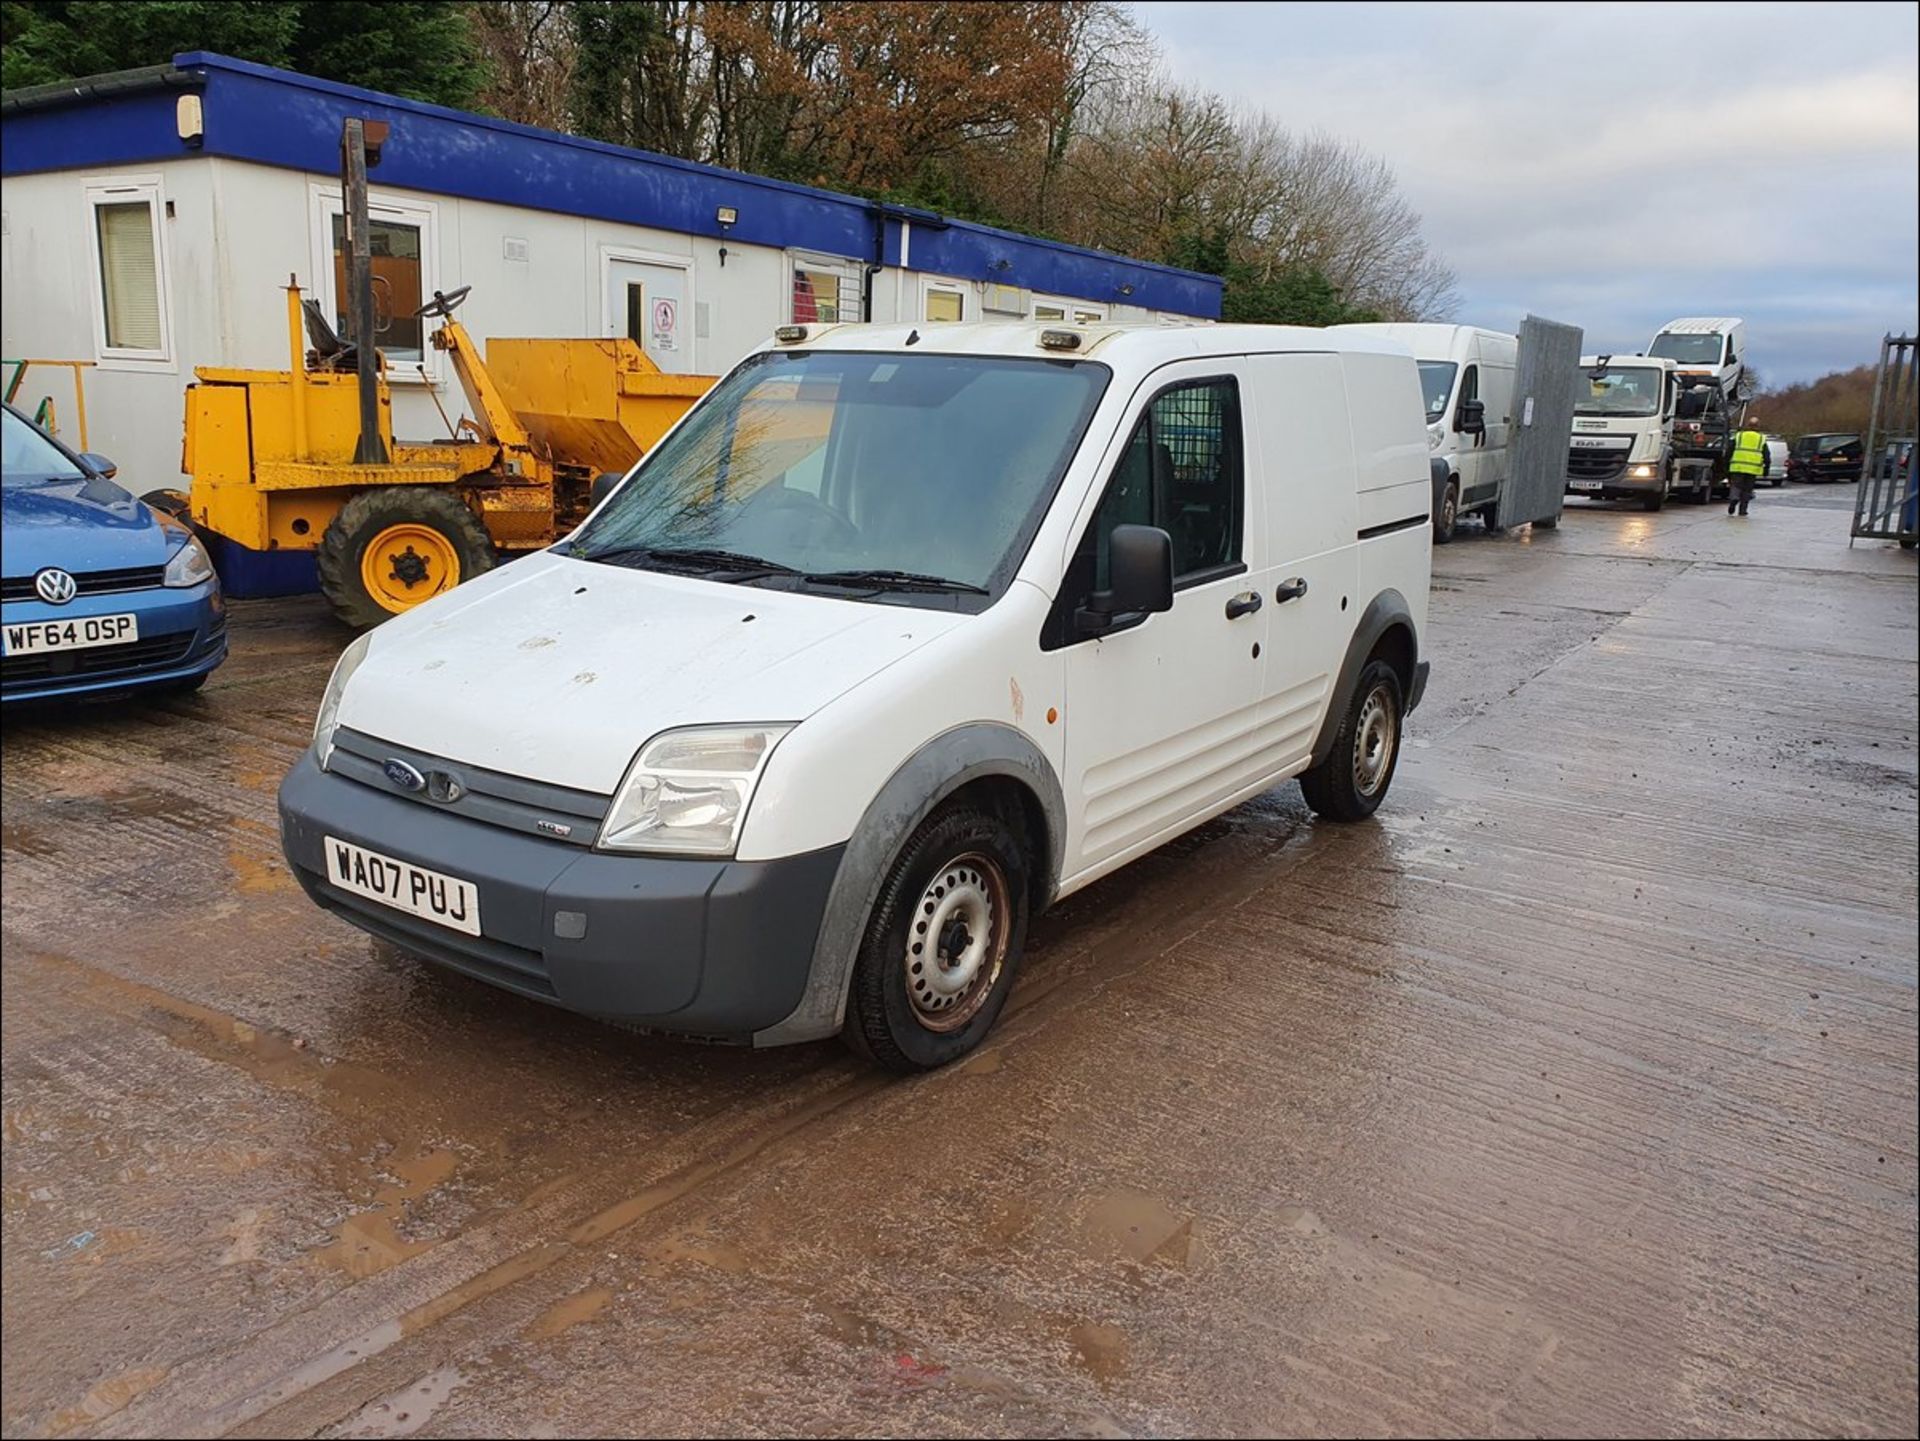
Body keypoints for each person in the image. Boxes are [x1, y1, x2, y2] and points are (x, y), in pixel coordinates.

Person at [1727, 417, 1767, 516]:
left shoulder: (1739, 436)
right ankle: (1742, 510)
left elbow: (1729, 450)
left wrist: (1726, 463)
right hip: (1752, 469)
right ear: (1758, 426)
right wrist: (1766, 469)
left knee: (1736, 486)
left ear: (1748, 425)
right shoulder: (1761, 438)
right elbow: (1767, 455)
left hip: (1737, 466)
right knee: (1747, 490)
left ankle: (1734, 498)